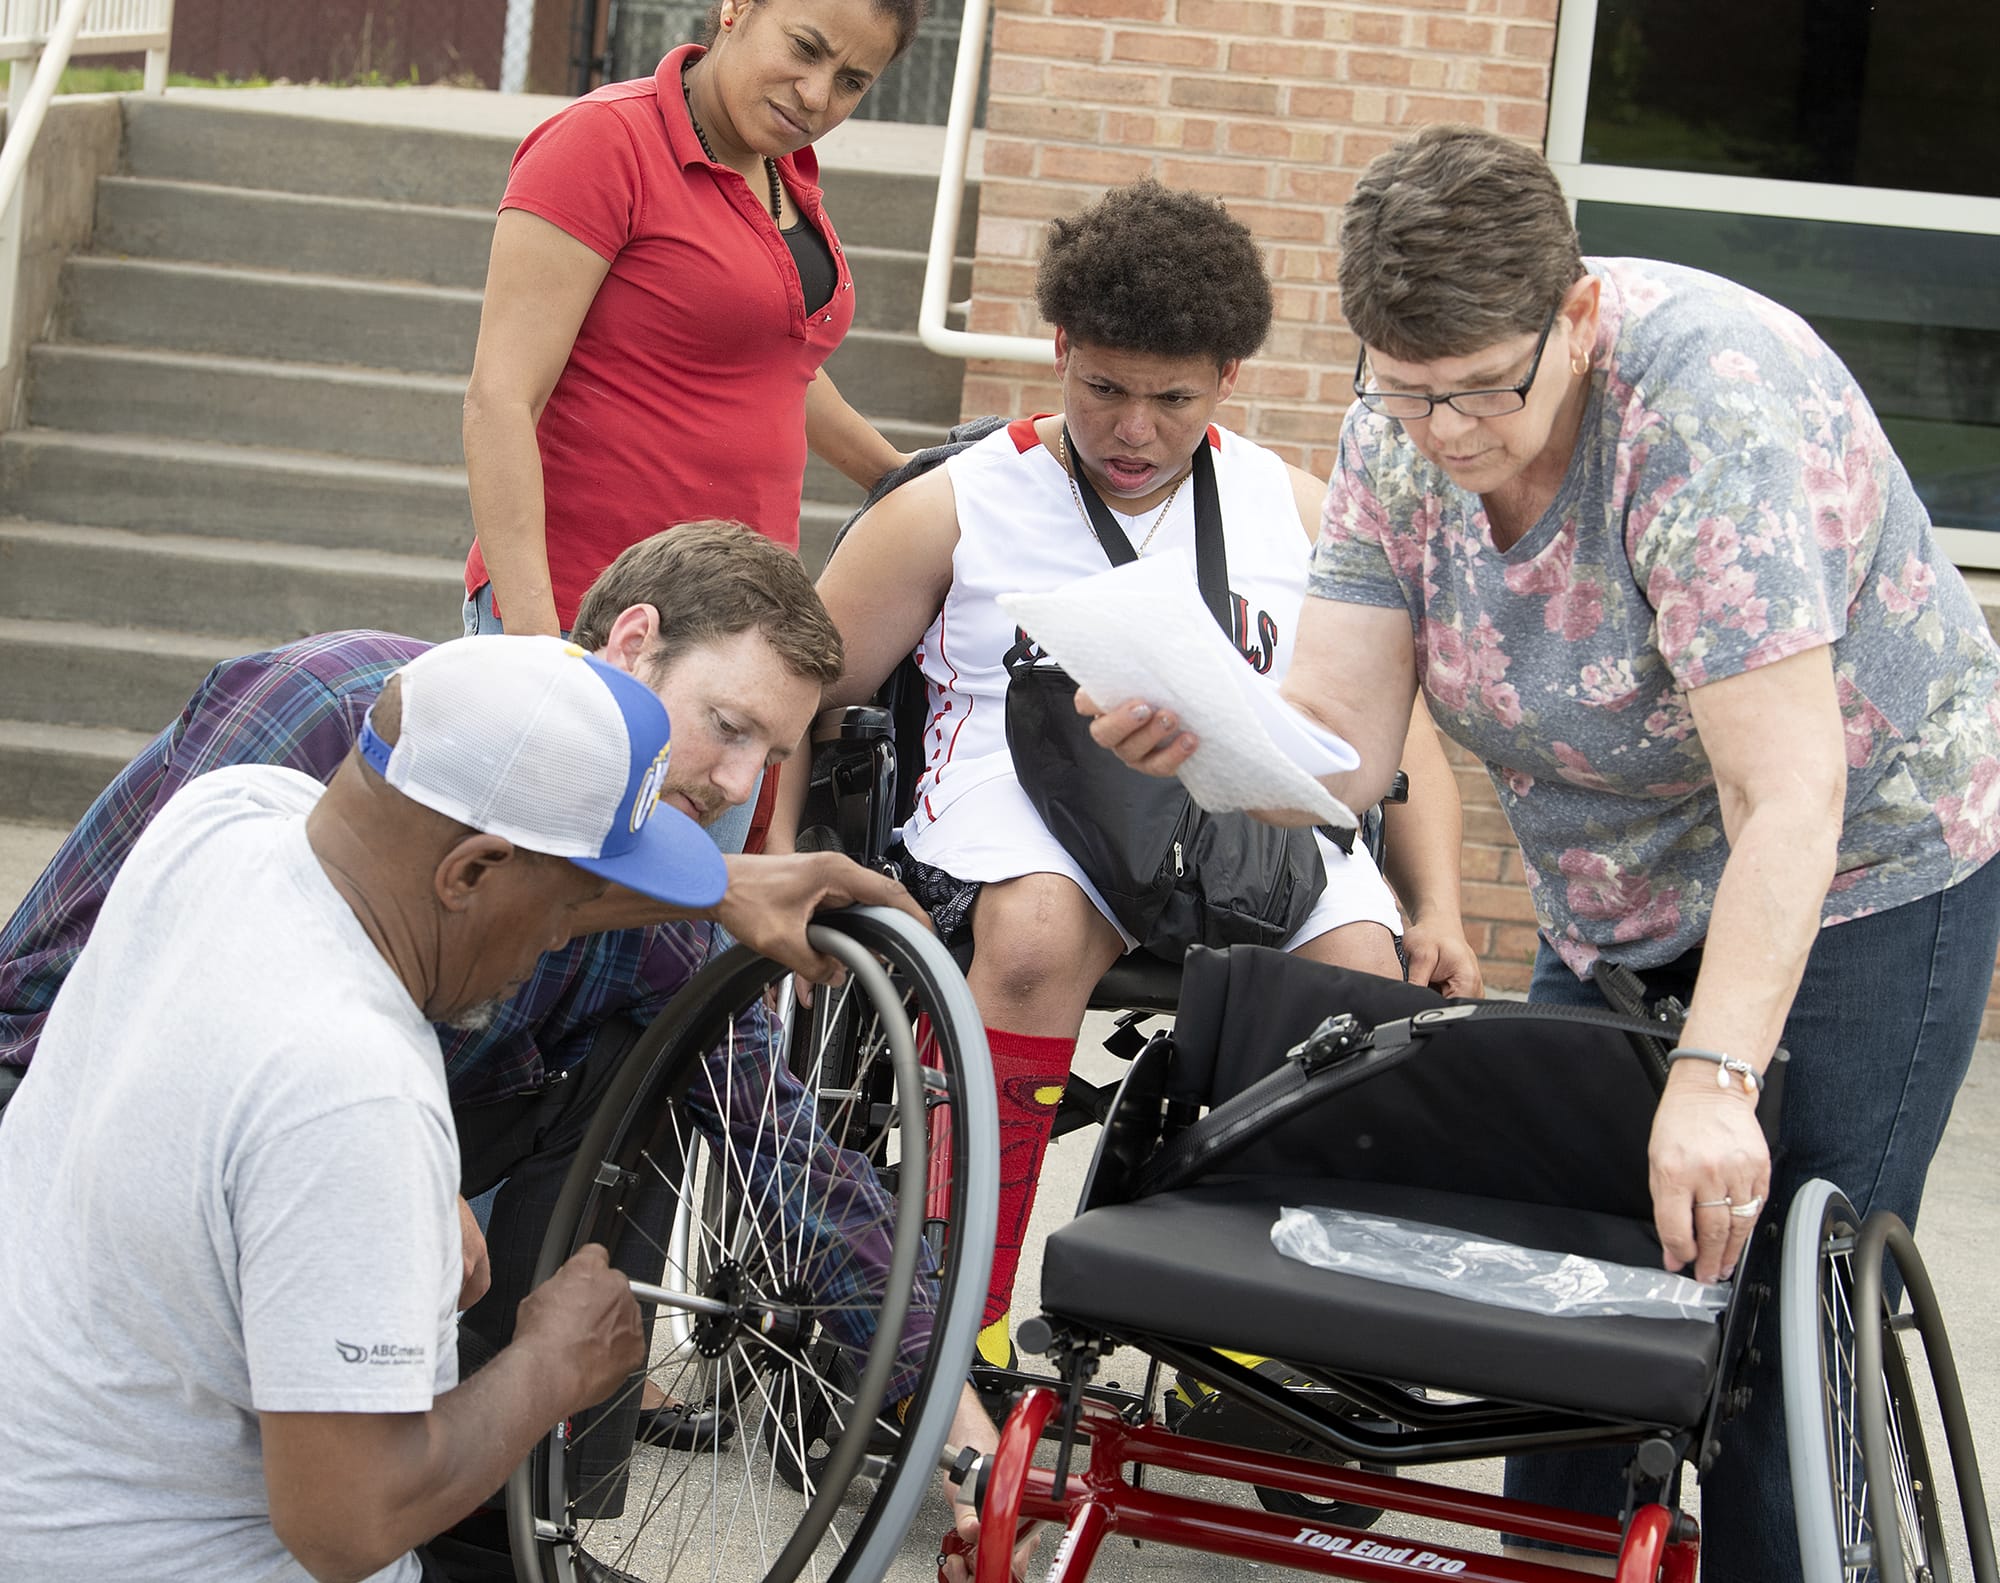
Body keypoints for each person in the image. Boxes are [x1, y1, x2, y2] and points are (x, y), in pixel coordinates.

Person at [1091, 126, 2000, 1583]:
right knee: (1571, 1294)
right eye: (1407, 389)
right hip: (1617, 889)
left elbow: (1790, 794)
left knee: (1763, 1311)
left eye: (1479, 391)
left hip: (1865, 864)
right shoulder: (1398, 419)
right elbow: (1345, 741)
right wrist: (1200, 737)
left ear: (1576, 317)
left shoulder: (1705, 410)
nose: (1442, 433)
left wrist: (1714, 1079)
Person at [781, 179, 1481, 1576]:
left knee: (1365, 1000)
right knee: (1040, 933)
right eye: (1104, 387)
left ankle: (1260, 1334)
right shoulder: (954, 503)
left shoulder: (1298, 505)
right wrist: (779, 858)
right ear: (1055, 346)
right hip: (1023, 797)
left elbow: (1403, 733)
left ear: (1231, 376)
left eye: (1172, 396)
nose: (1134, 429)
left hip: (1249, 817)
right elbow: (798, 688)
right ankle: (955, 1321)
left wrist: (1444, 903)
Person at [0, 523, 936, 1507]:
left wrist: (936, 1392)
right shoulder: (326, 706)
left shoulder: (641, 917)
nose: (739, 785)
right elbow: (84, 993)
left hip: (347, 1142)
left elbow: (779, 1139)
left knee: (665, 1042)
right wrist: (398, 1176)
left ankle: (517, 1517)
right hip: (79, 1127)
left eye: (775, 754)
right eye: (729, 725)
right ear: (632, 639)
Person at [0, 636, 731, 1578]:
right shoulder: (359, 1086)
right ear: (470, 872)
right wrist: (555, 1359)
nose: (560, 937)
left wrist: (732, 897)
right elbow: (348, 1524)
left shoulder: (229, 817)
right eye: (568, 902)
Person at [460, 0, 924, 653]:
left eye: (852, 81)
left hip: (731, 622)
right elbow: (499, 401)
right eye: (805, 48)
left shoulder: (778, 167)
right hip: (586, 617)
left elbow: (773, 366)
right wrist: (539, 648)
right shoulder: (604, 141)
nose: (817, 95)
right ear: (735, 7)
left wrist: (897, 473)